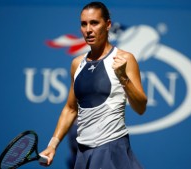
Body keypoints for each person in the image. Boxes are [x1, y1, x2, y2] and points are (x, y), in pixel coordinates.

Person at [40, 1, 147, 169]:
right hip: (83, 154)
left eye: (94, 23)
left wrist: (123, 77)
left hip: (112, 148)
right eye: (84, 24)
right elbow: (70, 109)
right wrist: (52, 145)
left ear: (108, 25)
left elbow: (141, 107)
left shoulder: (125, 59)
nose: (88, 29)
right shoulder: (77, 63)